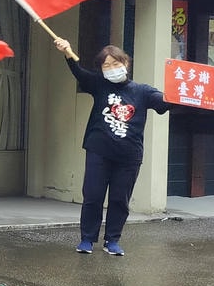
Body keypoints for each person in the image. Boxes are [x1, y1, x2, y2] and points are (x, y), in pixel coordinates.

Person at [55, 39, 172, 257]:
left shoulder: (142, 91)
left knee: (120, 199)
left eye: (115, 63)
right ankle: (87, 239)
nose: (111, 69)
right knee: (93, 195)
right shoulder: (99, 85)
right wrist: (68, 52)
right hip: (99, 150)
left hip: (129, 156)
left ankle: (113, 240)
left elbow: (163, 102)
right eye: (105, 66)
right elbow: (79, 72)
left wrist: (182, 95)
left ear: (125, 63)